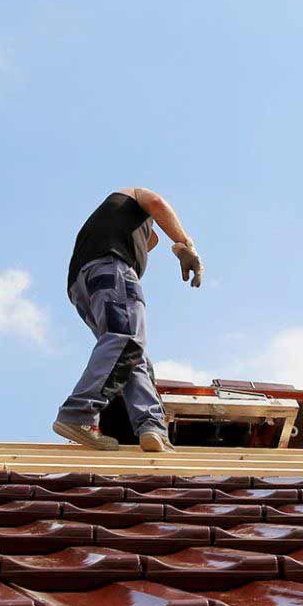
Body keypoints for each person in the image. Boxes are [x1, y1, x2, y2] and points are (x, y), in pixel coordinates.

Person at [53, 187, 203, 452]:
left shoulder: (107, 227)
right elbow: (156, 202)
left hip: (83, 285)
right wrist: (185, 246)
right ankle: (79, 412)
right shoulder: (132, 197)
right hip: (111, 271)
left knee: (131, 355)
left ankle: (151, 427)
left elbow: (150, 239)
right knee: (127, 339)